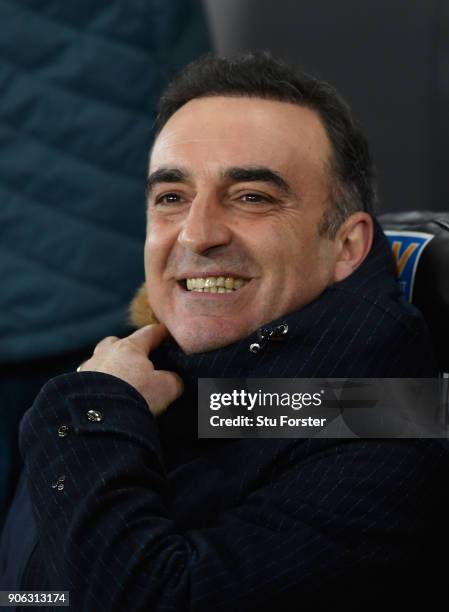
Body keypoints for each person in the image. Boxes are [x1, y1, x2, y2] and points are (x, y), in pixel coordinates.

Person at [1, 52, 448, 611]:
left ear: (347, 246)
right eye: (171, 198)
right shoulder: (148, 379)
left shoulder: (384, 422)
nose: (197, 234)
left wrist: (89, 416)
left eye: (252, 197)